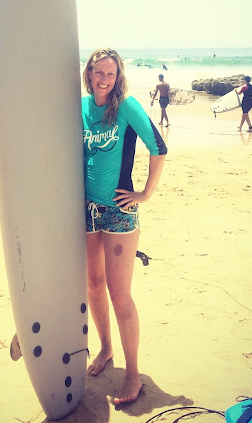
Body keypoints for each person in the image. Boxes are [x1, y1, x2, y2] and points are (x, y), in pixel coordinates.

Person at [82, 48, 167, 405]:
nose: (104, 79)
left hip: (119, 211)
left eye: (111, 73)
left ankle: (133, 374)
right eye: (99, 72)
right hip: (86, 211)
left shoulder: (127, 106)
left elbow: (158, 147)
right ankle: (105, 349)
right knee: (94, 285)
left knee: (120, 293)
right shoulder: (81, 108)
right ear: (89, 74)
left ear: (118, 77)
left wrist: (144, 194)